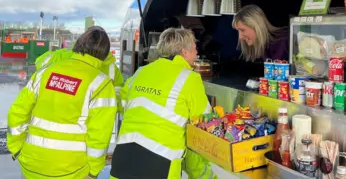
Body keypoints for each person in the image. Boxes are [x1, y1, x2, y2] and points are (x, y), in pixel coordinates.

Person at [7, 26, 117, 179]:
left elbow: (17, 112)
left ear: (77, 45)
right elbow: (99, 136)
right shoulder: (101, 84)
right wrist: (93, 172)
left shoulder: (45, 72)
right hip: (72, 170)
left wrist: (16, 148)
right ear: (105, 54)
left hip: (31, 164)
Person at [110, 27, 217, 179]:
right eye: (194, 48)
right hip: (160, 163)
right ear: (184, 52)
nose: (197, 53)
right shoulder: (190, 79)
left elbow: (124, 105)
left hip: (123, 156)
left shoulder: (141, 71)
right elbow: (204, 126)